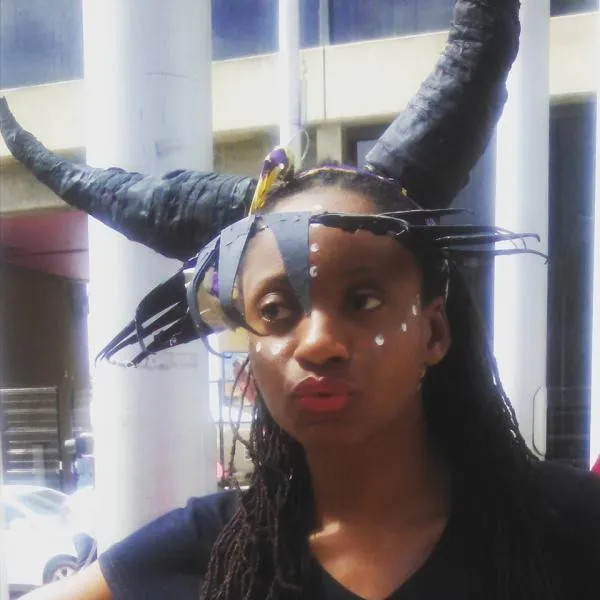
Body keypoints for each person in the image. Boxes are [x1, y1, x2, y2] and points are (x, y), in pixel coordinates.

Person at [6, 0, 599, 598]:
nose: (317, 343)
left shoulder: (569, 527)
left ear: (435, 332)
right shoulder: (211, 551)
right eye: (275, 311)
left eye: (363, 300)